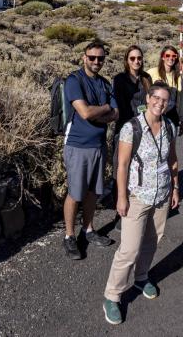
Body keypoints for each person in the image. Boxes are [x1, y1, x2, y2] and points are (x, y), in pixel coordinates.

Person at [102, 82, 179, 325]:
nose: (160, 103)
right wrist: (121, 197)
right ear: (148, 98)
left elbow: (172, 159)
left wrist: (175, 187)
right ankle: (112, 295)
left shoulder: (169, 126)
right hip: (137, 196)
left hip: (162, 194)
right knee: (129, 249)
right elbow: (122, 165)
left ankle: (141, 277)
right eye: (156, 98)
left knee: (152, 241)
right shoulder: (131, 128)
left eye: (165, 100)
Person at [62, 41, 119, 260]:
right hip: (78, 145)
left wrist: (101, 114)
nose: (96, 61)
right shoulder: (74, 80)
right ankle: (69, 236)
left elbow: (116, 114)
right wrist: (104, 108)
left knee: (93, 192)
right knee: (75, 193)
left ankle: (88, 229)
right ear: (84, 57)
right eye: (92, 57)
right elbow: (85, 112)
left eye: (100, 58)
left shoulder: (105, 83)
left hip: (99, 145)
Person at [111, 46, 153, 230]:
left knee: (139, 169)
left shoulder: (146, 78)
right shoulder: (120, 79)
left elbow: (149, 102)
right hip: (124, 129)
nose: (137, 61)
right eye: (132, 58)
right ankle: (119, 209)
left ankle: (138, 206)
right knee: (121, 168)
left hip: (143, 129)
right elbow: (121, 105)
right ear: (126, 60)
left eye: (139, 58)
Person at [148, 45, 183, 136]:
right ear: (162, 57)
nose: (171, 58)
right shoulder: (152, 73)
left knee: (171, 144)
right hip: (155, 115)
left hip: (172, 116)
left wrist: (182, 120)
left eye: (174, 56)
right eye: (167, 55)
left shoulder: (178, 77)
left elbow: (182, 100)